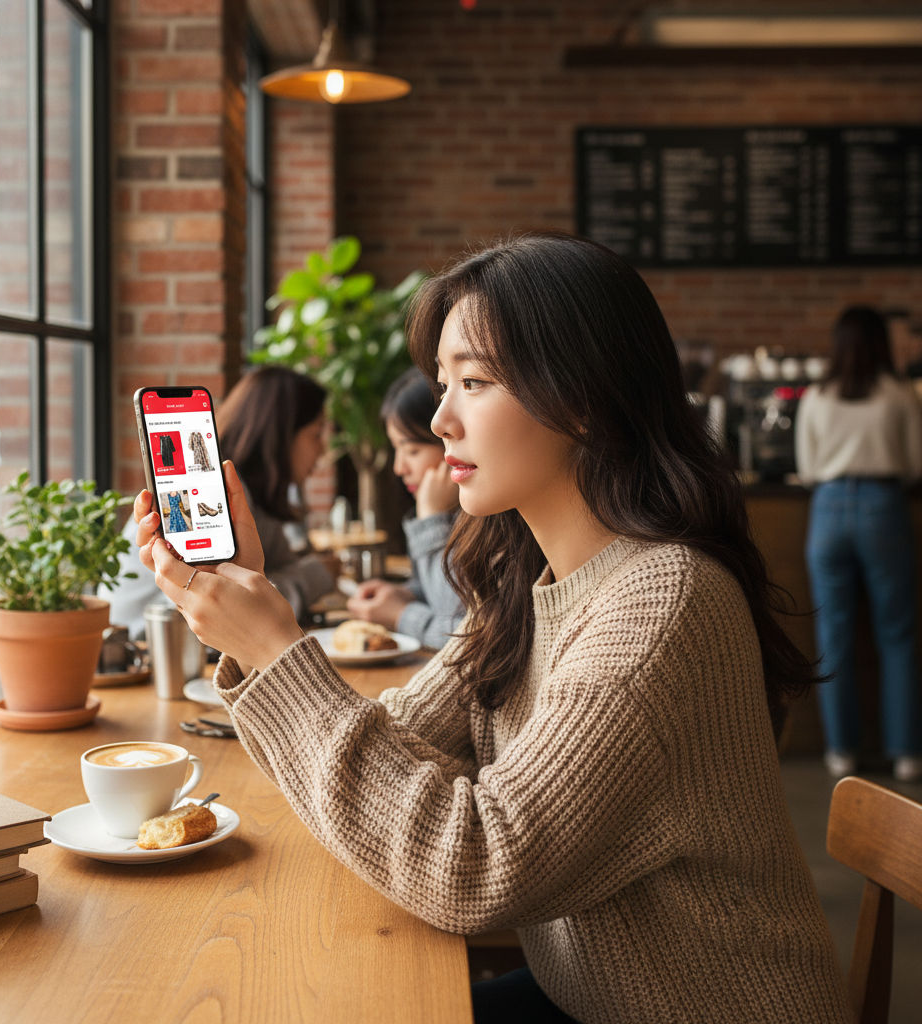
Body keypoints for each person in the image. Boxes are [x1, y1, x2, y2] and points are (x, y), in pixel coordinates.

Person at [134, 234, 850, 1024]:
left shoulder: (664, 605)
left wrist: (276, 650)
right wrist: (250, 623)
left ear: (582, 397)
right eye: (443, 382)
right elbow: (401, 737)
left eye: (473, 381)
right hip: (586, 997)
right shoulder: (528, 582)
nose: (439, 419)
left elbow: (474, 867)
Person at [104, 366, 336, 635]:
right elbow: (236, 608)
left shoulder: (259, 498)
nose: (322, 449)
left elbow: (267, 577)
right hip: (143, 643)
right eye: (316, 434)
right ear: (281, 435)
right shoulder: (223, 492)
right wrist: (319, 574)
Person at [796, 306, 922, 782]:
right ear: (880, 344)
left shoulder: (816, 397)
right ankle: (907, 753)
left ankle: (841, 752)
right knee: (897, 635)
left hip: (827, 510)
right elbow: (914, 465)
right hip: (884, 506)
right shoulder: (900, 395)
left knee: (833, 637)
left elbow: (806, 469)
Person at [347, 368, 464, 649]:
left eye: (412, 451)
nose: (400, 468)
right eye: (395, 450)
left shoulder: (493, 520)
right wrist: (403, 594)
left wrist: (401, 615)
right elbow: (437, 591)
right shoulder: (448, 512)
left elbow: (459, 629)